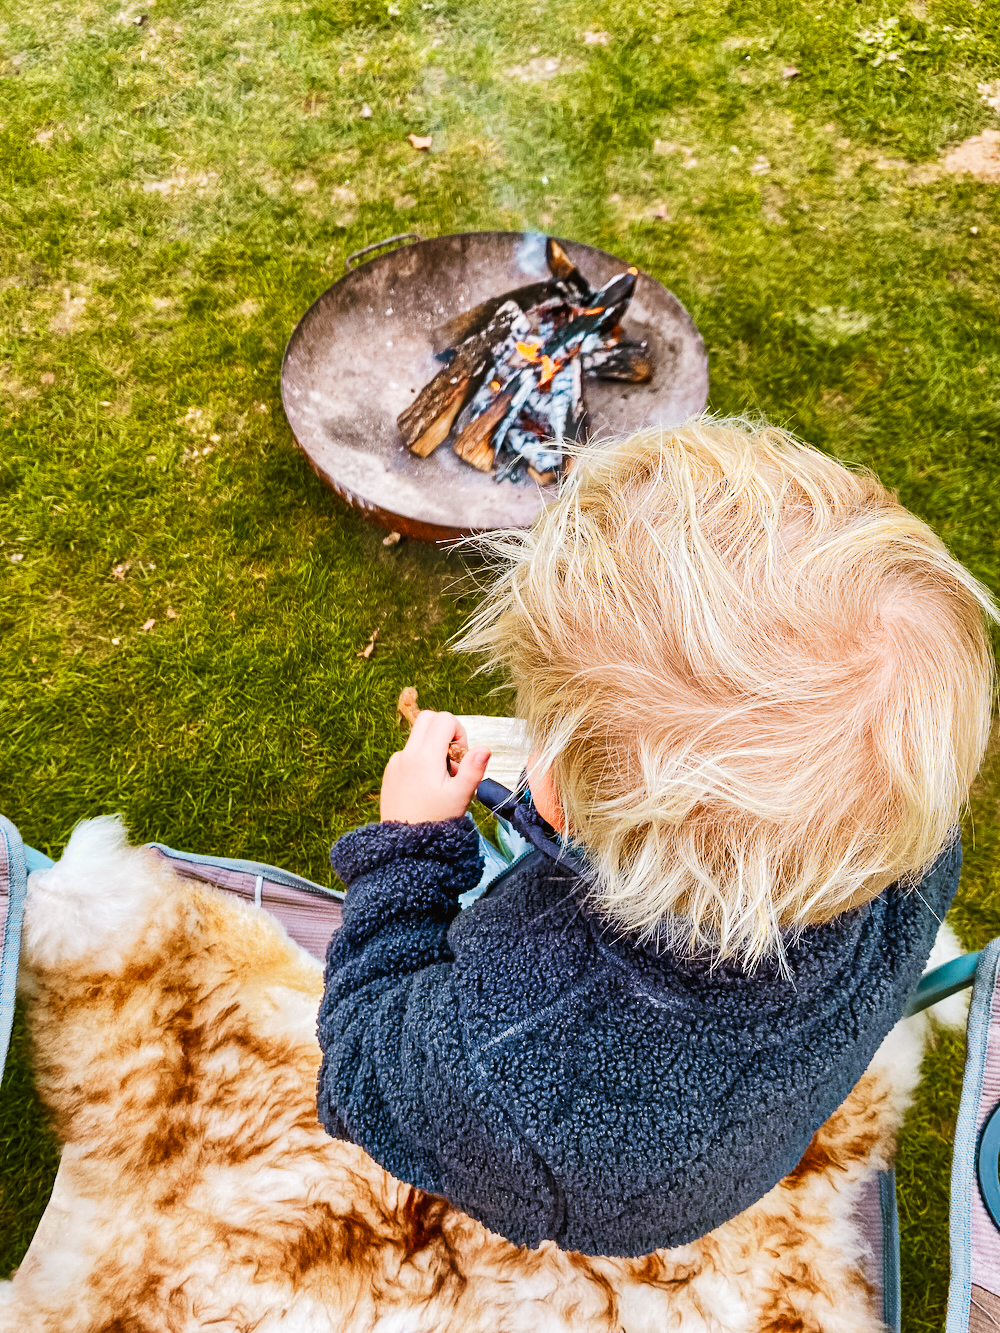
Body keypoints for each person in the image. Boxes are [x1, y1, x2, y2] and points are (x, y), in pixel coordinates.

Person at [316, 418, 996, 1257]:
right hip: (749, 1132)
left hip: (603, 1202)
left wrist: (408, 851)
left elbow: (357, 1071)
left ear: (555, 797)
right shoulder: (904, 840)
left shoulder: (503, 1061)